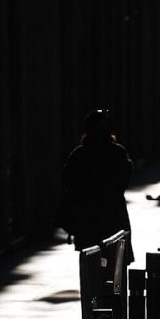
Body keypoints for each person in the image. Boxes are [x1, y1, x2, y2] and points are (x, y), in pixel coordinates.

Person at [60, 108, 135, 276]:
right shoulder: (117, 152)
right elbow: (124, 179)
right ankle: (112, 300)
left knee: (92, 270)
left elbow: (67, 180)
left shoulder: (80, 154)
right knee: (115, 269)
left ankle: (94, 301)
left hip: (88, 219)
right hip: (112, 217)